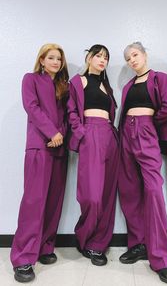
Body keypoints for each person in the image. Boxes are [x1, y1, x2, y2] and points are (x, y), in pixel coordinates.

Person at [118, 42, 167, 284]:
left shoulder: (159, 78)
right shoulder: (128, 86)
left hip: (146, 132)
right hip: (125, 136)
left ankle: (162, 258)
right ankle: (138, 244)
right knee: (130, 192)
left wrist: (149, 125)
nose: (132, 60)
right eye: (128, 58)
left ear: (144, 55)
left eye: (135, 55)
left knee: (153, 191)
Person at [10, 43, 69, 283]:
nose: (56, 62)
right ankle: (23, 258)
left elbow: (66, 115)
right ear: (42, 60)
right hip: (39, 147)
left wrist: (61, 134)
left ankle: (45, 247)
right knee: (34, 202)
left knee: (54, 201)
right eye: (51, 58)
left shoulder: (62, 86)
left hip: (59, 149)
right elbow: (32, 108)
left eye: (59, 59)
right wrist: (51, 133)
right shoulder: (30, 79)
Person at [67, 44, 118, 266]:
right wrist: (82, 133)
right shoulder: (78, 82)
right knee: (92, 195)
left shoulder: (107, 86)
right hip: (91, 134)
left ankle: (97, 245)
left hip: (110, 137)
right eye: (98, 55)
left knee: (107, 195)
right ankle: (84, 236)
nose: (102, 60)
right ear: (88, 58)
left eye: (106, 57)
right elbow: (71, 111)